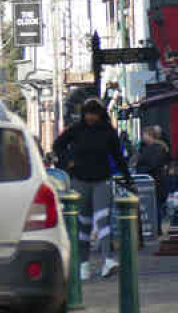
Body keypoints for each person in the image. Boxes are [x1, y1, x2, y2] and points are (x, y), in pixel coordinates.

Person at [52, 98, 134, 281]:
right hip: (80, 180)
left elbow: (118, 156)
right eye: (88, 113)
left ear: (100, 114)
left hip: (102, 180)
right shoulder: (76, 129)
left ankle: (107, 260)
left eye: (94, 113)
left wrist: (128, 179)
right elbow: (58, 145)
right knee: (84, 223)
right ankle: (83, 264)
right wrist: (68, 163)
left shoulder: (108, 132)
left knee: (102, 218)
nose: (90, 117)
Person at [136, 126, 171, 235]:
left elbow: (152, 164)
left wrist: (140, 169)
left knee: (155, 207)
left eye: (144, 135)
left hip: (155, 182)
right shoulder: (156, 148)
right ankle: (157, 229)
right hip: (156, 181)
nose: (142, 137)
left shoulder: (156, 148)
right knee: (156, 207)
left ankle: (156, 229)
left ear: (150, 135)